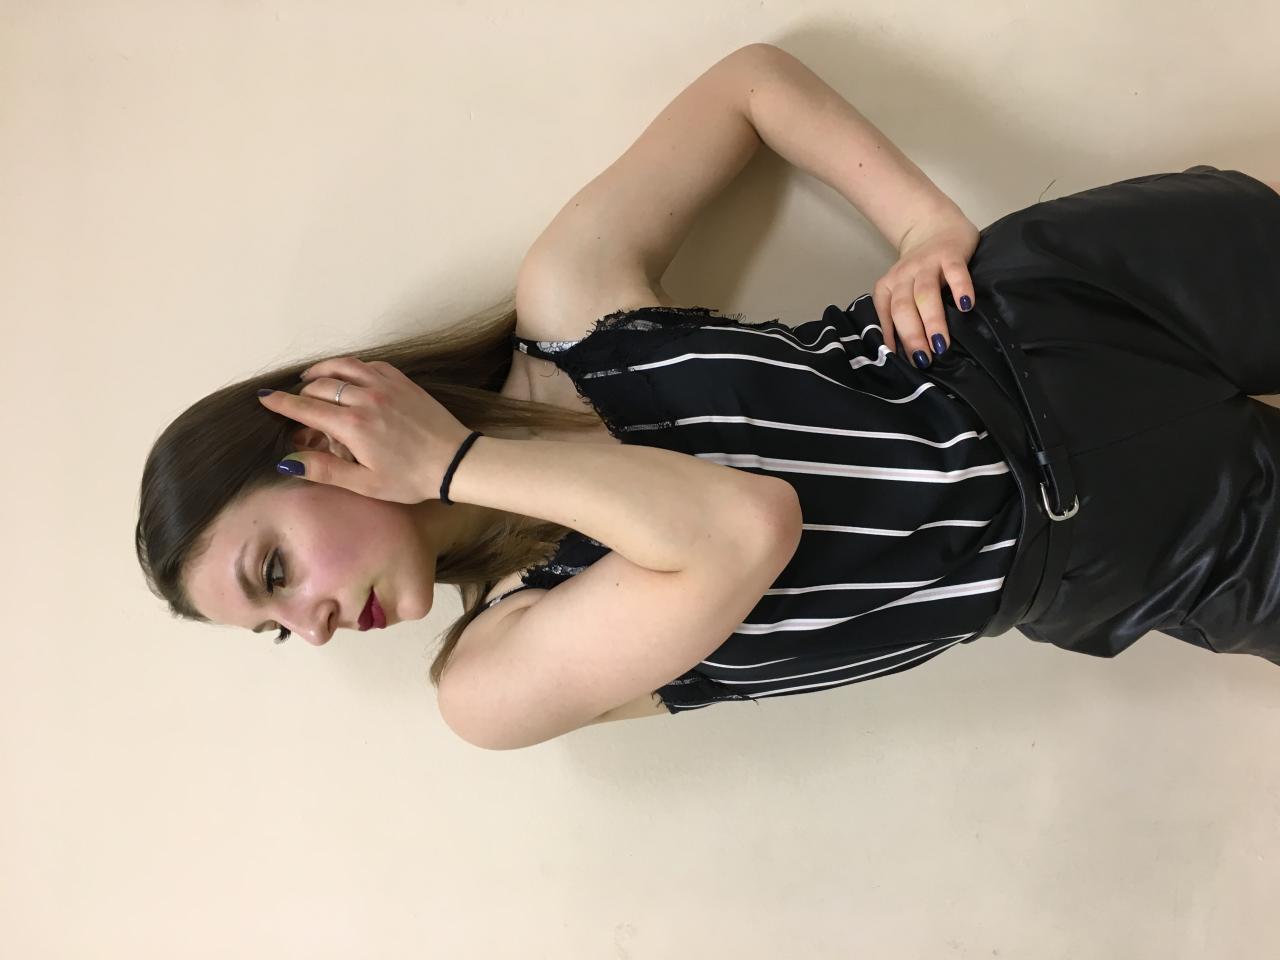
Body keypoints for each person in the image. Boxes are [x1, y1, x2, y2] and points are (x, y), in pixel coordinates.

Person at [134, 43, 1280, 751]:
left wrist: (921, 225)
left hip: (1052, 308)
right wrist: (450, 467)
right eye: (278, 630)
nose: (314, 626)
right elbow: (739, 528)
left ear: (318, 431)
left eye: (275, 571)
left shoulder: (567, 309)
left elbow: (750, 87)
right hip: (1130, 547)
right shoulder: (496, 675)